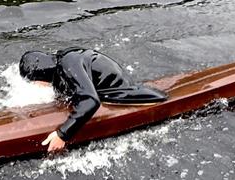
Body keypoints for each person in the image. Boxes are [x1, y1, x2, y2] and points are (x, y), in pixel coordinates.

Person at [19, 48, 168, 153]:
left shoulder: (67, 65)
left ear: (41, 73)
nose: (35, 85)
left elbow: (91, 100)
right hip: (100, 84)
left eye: (33, 81)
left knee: (86, 100)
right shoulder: (60, 62)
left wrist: (62, 134)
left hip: (116, 90)